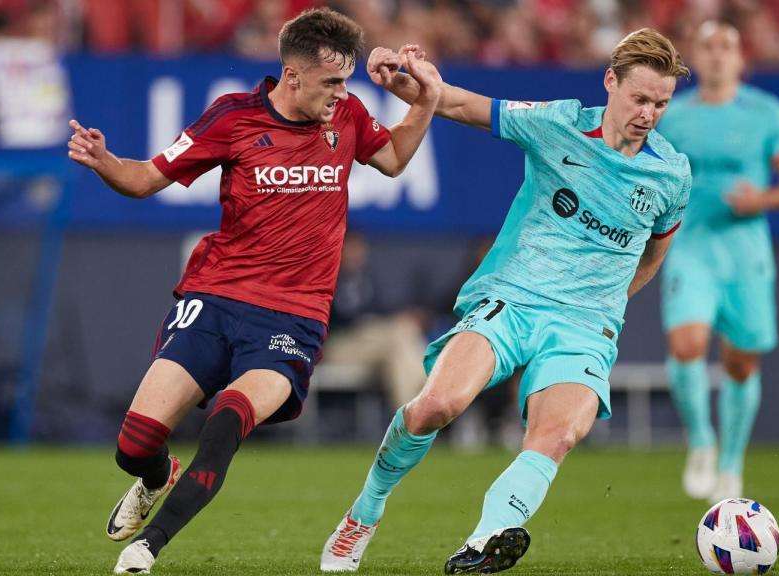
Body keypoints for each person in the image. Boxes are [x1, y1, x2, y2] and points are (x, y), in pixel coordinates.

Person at [66, 8, 442, 574]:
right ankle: (153, 475)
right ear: (292, 76)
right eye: (331, 82)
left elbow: (391, 159)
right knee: (134, 444)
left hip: (292, 319)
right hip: (215, 299)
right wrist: (104, 161)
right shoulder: (233, 118)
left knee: (228, 418)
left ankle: (148, 548)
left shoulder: (349, 116)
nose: (342, 94)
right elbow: (144, 178)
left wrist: (424, 104)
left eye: (346, 82)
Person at [321, 29, 692, 574]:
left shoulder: (671, 174)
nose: (649, 113)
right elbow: (459, 103)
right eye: (640, 98)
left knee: (559, 433)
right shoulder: (557, 124)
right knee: (435, 406)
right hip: (513, 300)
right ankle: (363, 513)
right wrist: (402, 79)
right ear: (610, 82)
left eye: (661, 103)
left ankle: (484, 541)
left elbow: (654, 253)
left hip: (586, 325)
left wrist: (609, 305)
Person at [654, 20, 779, 503]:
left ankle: (731, 462)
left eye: (727, 47)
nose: (718, 55)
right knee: (686, 343)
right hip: (691, 249)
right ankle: (700, 441)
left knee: (740, 365)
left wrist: (761, 199)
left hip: (745, 256)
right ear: (695, 58)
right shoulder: (674, 117)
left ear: (742, 59)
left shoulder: (766, 113)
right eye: (709, 47)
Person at [321, 230, 429, 411]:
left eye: (359, 248)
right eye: (350, 248)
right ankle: (426, 392)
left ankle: (408, 421)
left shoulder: (365, 278)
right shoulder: (327, 277)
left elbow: (380, 311)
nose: (356, 253)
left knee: (399, 348)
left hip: (373, 345)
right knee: (401, 334)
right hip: (340, 345)